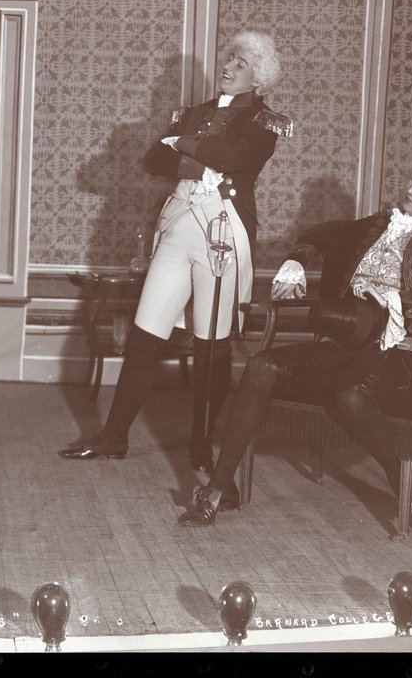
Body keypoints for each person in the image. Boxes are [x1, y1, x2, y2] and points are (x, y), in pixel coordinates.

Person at [177, 146, 412, 539]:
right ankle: (218, 489)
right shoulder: (378, 224)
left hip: (399, 351)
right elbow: (320, 235)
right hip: (347, 339)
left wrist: (397, 301)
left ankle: (408, 487)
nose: (411, 189)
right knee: (260, 365)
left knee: (349, 396)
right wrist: (296, 261)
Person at [61, 32, 292, 471]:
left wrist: (182, 143)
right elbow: (154, 159)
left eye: (240, 63)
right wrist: (196, 157)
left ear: (258, 78)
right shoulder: (195, 112)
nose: (228, 67)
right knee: (144, 336)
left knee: (211, 345)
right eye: (229, 58)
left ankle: (202, 444)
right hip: (177, 226)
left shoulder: (266, 122)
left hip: (222, 233)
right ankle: (114, 437)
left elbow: (234, 159)